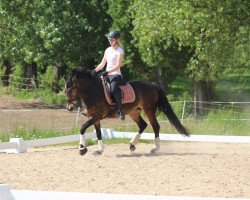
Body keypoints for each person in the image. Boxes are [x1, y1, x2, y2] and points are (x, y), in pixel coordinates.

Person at [92, 30, 125, 120]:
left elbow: (118, 66)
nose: (110, 41)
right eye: (109, 40)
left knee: (113, 89)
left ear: (116, 40)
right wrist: (95, 70)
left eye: (112, 40)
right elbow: (102, 64)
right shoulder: (107, 50)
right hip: (107, 74)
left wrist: (108, 72)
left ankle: (121, 111)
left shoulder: (120, 51)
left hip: (116, 75)